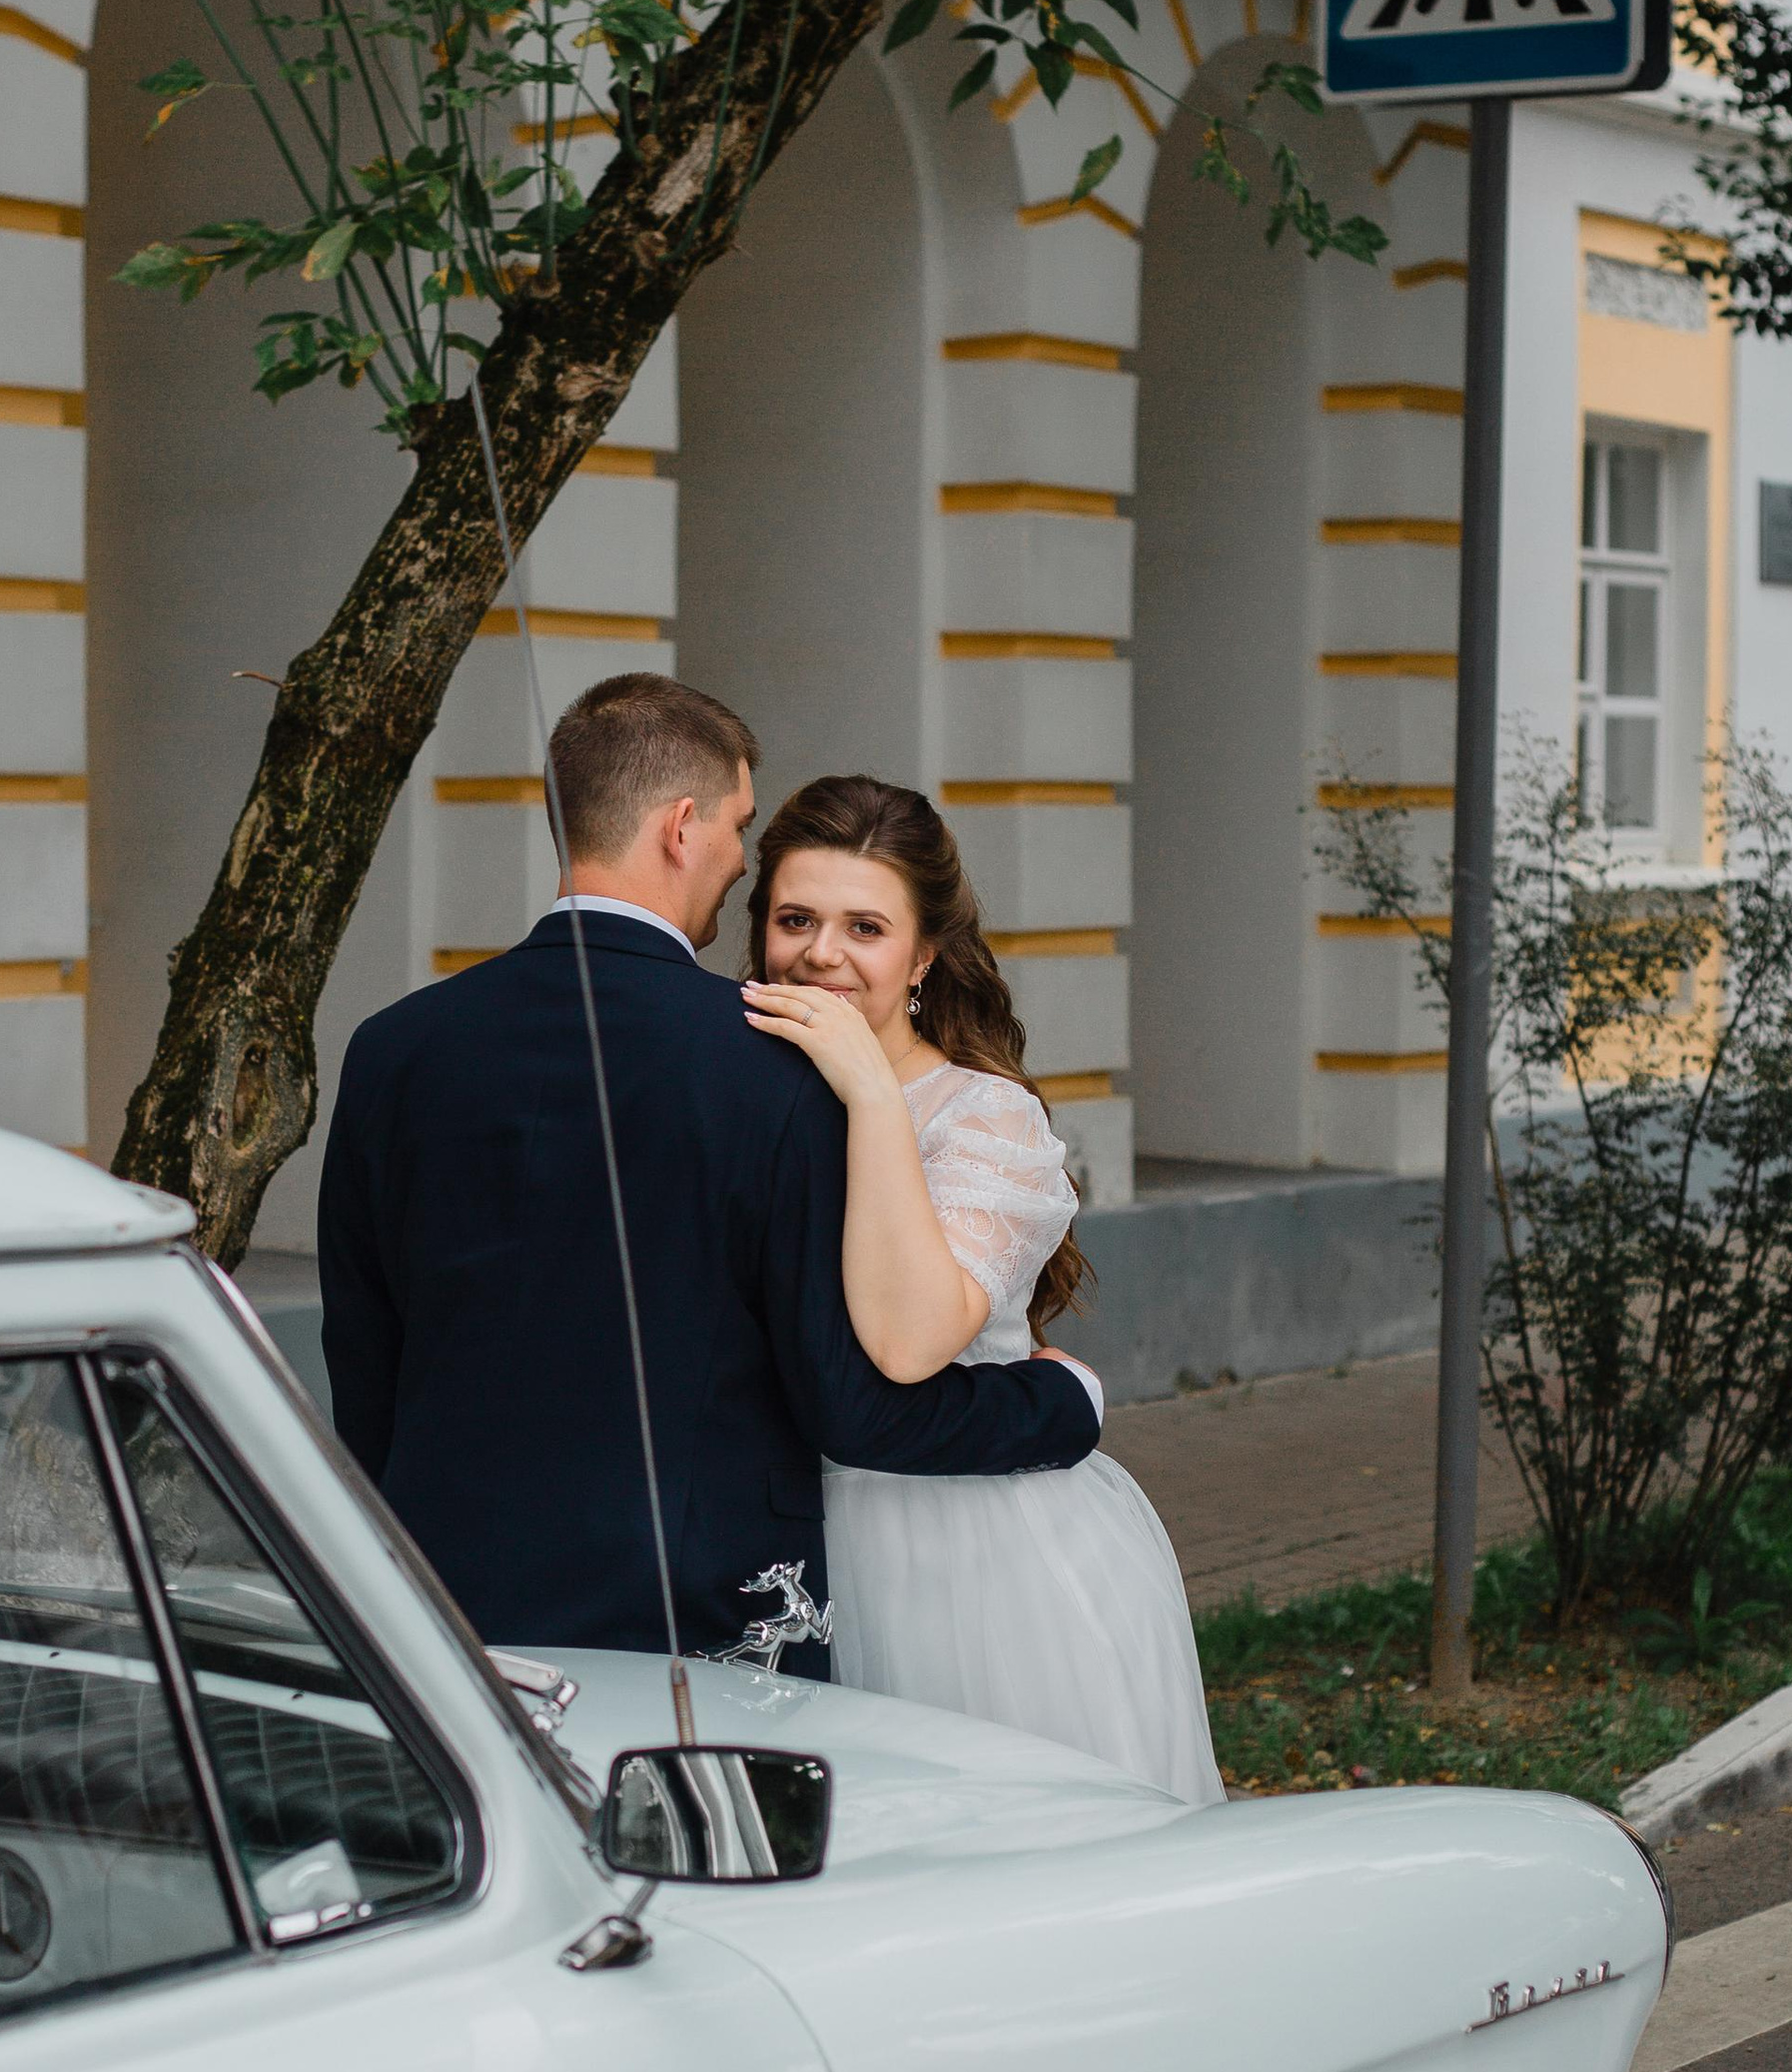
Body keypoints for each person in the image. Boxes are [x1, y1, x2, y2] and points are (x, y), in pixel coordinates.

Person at [317, 675, 1101, 1658]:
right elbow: (847, 1400)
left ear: (921, 955)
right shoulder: (772, 1069)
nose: (738, 861)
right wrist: (1059, 1403)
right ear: (683, 828)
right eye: (738, 828)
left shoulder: (392, 1047)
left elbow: (366, 1366)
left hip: (445, 1593)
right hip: (694, 1602)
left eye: (864, 927)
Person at [741, 773, 1222, 1803]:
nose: (822, 953)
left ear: (921, 956)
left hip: (973, 1558)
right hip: (783, 1546)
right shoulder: (731, 1086)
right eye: (794, 919)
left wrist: (872, 1091)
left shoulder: (980, 1117)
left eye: (864, 927)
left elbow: (913, 1342)